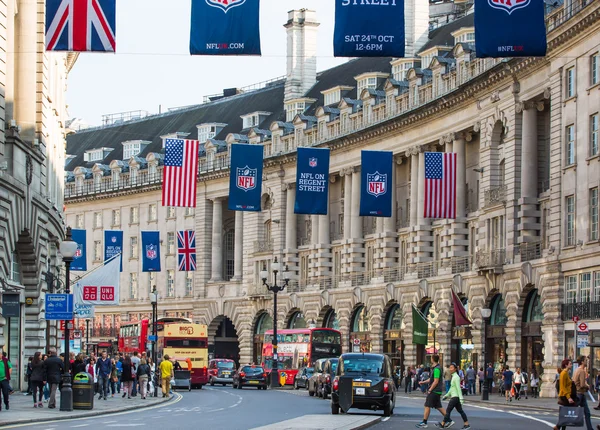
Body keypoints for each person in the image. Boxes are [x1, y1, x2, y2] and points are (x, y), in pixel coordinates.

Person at [436, 362, 470, 429]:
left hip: (455, 397)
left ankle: (443, 424)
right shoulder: (454, 377)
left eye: (452, 368)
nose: (450, 369)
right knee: (460, 411)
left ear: (455, 369)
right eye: (450, 367)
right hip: (455, 397)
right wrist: (446, 395)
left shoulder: (456, 377)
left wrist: (461, 398)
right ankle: (466, 424)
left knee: (448, 410)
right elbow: (452, 388)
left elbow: (458, 388)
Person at [416, 355, 446, 428]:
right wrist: (423, 382)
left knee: (427, 405)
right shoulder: (436, 368)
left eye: (431, 358)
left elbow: (435, 381)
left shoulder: (436, 369)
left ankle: (424, 422)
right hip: (437, 391)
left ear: (432, 359)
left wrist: (430, 390)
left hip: (434, 391)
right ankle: (448, 419)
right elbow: (431, 379)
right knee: (438, 406)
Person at [554, 358, 578, 430]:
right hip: (565, 396)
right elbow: (563, 387)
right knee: (566, 413)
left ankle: (559, 427)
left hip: (567, 395)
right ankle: (558, 426)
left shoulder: (566, 373)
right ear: (566, 365)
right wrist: (568, 397)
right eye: (570, 364)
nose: (571, 365)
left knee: (566, 413)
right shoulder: (563, 373)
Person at [573, 357, 594, 430]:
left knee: (587, 413)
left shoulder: (577, 370)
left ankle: (590, 428)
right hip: (580, 394)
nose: (587, 362)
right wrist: (587, 386)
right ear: (582, 362)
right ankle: (559, 425)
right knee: (571, 411)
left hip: (579, 393)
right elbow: (582, 384)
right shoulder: (582, 371)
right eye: (586, 360)